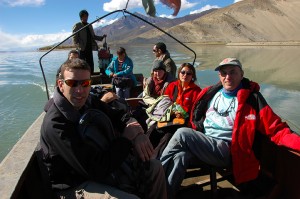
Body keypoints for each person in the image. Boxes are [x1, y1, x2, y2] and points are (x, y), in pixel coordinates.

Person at [160, 58, 300, 199]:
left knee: (183, 134)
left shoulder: (252, 99)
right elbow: (197, 117)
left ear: (241, 74)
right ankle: (163, 194)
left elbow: (276, 129)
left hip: (228, 150)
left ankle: (153, 174)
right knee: (180, 156)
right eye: (223, 73)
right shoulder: (211, 94)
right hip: (205, 142)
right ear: (219, 76)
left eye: (233, 72)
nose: (228, 77)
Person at [39, 58, 167, 199]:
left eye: (85, 83)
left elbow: (118, 115)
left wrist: (136, 132)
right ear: (61, 84)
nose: (79, 90)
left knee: (154, 168)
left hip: (104, 162)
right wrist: (126, 140)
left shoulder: (88, 101)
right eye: (72, 83)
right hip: (75, 184)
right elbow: (94, 169)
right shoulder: (56, 124)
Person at [146, 63, 201, 159]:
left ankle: (155, 158)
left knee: (168, 135)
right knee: (153, 128)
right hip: (168, 116)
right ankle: (143, 151)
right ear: (179, 73)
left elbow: (195, 111)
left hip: (182, 120)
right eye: (183, 72)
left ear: (192, 76)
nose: (185, 75)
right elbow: (165, 102)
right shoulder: (172, 86)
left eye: (189, 73)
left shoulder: (196, 91)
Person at [73, 9, 106, 74]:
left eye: (87, 16)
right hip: (82, 48)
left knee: (90, 63)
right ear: (81, 17)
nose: (86, 18)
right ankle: (82, 76)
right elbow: (74, 37)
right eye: (84, 16)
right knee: (82, 63)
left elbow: (93, 36)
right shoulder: (77, 25)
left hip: (89, 47)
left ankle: (91, 75)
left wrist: (102, 37)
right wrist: (78, 46)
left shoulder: (89, 25)